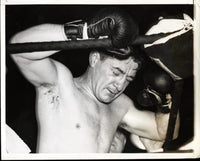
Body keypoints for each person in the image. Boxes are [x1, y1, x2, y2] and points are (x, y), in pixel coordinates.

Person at [9, 8, 178, 153]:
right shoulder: (61, 85)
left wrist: (165, 100)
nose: (120, 85)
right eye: (116, 72)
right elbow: (20, 50)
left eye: (128, 79)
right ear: (95, 59)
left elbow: (164, 132)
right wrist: (85, 31)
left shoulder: (120, 105)